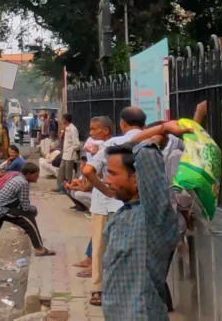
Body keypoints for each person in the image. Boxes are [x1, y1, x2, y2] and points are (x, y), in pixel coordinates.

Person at [99, 121, 192, 320]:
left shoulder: (154, 217)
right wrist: (160, 130)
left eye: (113, 174)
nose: (107, 180)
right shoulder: (123, 215)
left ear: (137, 178)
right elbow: (131, 149)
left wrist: (162, 131)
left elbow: (144, 153)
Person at [81, 108, 145, 307]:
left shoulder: (111, 144)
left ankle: (98, 290)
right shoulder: (149, 142)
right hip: (134, 204)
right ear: (143, 123)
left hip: (103, 204)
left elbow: (88, 170)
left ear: (122, 124)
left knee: (100, 247)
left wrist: (106, 190)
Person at [0, 162, 55, 280]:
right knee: (27, 218)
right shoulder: (23, 183)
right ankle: (39, 248)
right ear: (28, 174)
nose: (37, 178)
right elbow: (25, 207)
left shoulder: (14, 175)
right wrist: (33, 209)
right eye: (36, 175)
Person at [58, 113, 80, 193]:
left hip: (70, 153)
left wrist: (76, 151)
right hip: (65, 153)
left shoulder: (72, 129)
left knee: (68, 172)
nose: (61, 120)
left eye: (63, 119)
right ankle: (60, 187)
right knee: (61, 170)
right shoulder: (66, 128)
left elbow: (76, 143)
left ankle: (67, 188)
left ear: (66, 120)